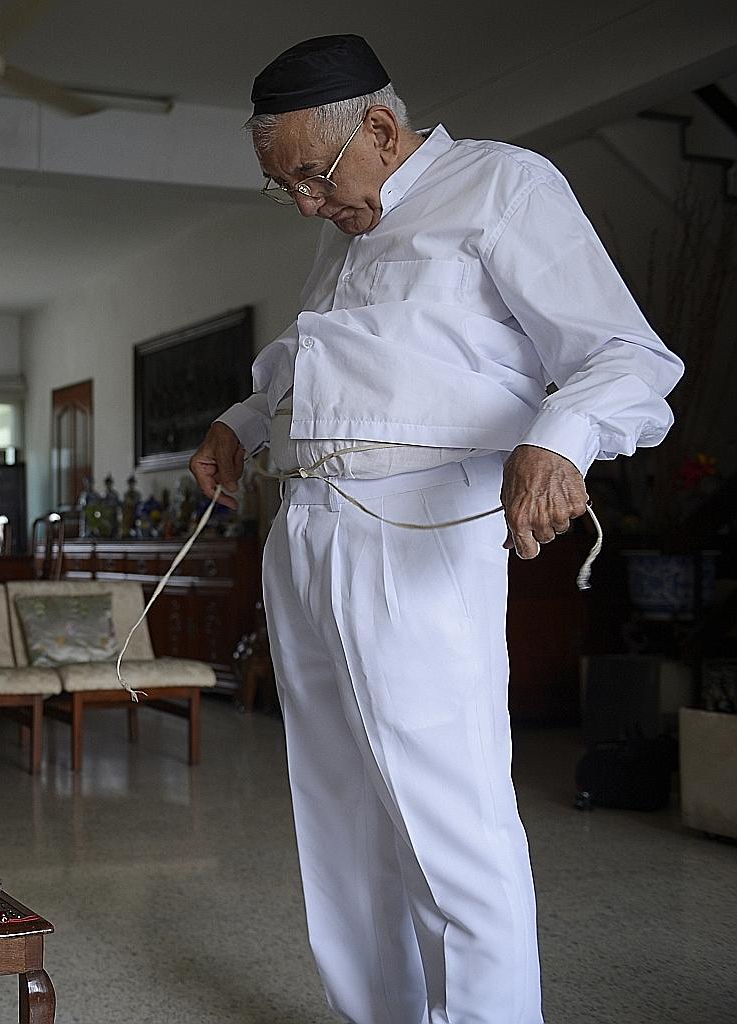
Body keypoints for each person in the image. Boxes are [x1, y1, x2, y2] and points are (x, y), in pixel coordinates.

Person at [188, 35, 682, 1024]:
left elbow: (628, 358)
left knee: (449, 824)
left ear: (380, 127)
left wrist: (561, 439)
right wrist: (240, 422)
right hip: (311, 530)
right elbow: (312, 357)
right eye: (281, 187)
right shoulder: (347, 227)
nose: (304, 206)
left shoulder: (503, 184)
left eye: (311, 178)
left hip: (417, 537)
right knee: (341, 815)